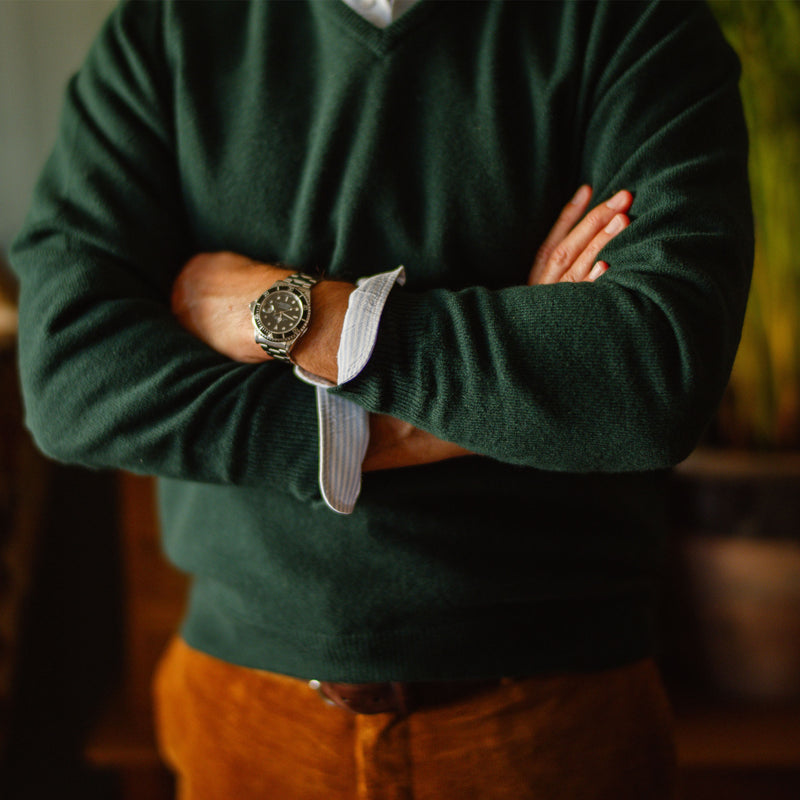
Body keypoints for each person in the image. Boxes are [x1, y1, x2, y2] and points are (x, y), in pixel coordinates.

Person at [10, 1, 752, 798]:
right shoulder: (166, 30)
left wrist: (276, 309)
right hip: (242, 715)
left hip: (547, 720)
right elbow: (72, 379)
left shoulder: (636, 23)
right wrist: (506, 372)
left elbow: (646, 375)